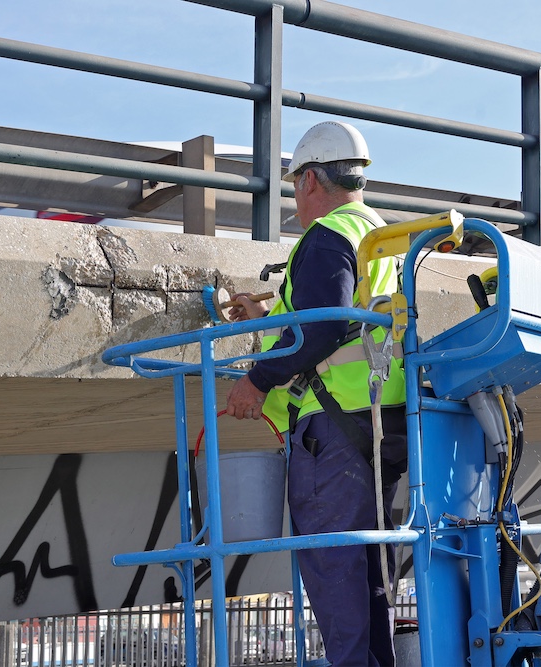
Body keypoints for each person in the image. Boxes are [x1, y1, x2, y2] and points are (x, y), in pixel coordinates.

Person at [224, 121, 407, 667]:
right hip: (382, 419)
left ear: (308, 180)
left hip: (336, 430)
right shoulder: (378, 235)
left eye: (294, 189)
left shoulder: (325, 236)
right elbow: (333, 322)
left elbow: (323, 329)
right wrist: (267, 317)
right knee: (367, 571)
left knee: (334, 571)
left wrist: (255, 380)